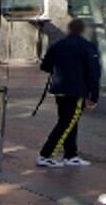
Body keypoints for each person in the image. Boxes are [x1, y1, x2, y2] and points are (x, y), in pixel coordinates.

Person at [36, 18, 101, 168]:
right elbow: (93, 74)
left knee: (69, 121)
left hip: (60, 89)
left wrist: (61, 70)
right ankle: (46, 155)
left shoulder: (58, 45)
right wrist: (94, 96)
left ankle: (70, 155)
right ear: (82, 30)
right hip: (76, 91)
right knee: (67, 123)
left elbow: (45, 66)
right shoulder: (87, 47)